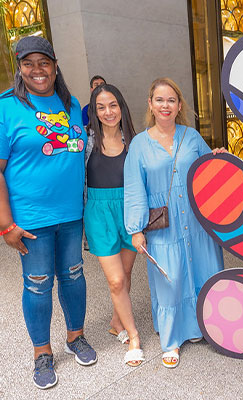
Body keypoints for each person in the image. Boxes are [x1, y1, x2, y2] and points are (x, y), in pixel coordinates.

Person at [0, 36, 96, 390]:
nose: (37, 70)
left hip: (71, 215)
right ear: (19, 68)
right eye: (29, 64)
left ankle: (76, 337)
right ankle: (42, 353)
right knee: (38, 285)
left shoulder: (71, 104)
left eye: (44, 63)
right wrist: (5, 224)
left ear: (55, 66)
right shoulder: (6, 107)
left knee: (73, 275)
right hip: (30, 220)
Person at [124, 77, 224, 368]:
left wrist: (217, 157)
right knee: (170, 278)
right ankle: (171, 339)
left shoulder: (191, 136)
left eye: (171, 100)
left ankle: (201, 327)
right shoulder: (140, 145)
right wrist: (136, 230)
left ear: (179, 105)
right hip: (163, 225)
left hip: (197, 221)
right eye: (159, 100)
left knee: (203, 270)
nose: (165, 105)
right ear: (150, 104)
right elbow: (134, 188)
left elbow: (209, 170)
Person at [85, 84, 144, 367]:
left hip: (128, 211)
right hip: (99, 213)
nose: (108, 112)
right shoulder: (85, 141)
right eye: (101, 107)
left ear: (121, 107)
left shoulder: (134, 140)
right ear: (94, 112)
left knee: (127, 271)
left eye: (113, 105)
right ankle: (133, 336)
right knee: (116, 279)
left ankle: (116, 320)